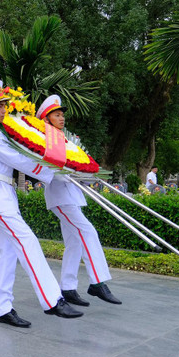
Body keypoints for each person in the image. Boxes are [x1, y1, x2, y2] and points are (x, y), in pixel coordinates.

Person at [0, 81, 83, 328]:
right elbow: (16, 159)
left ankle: (2, 308)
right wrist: (53, 170)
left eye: (5, 105)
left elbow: (17, 157)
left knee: (9, 252)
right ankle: (53, 300)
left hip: (3, 193)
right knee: (28, 241)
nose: (4, 110)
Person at [37, 95, 120, 305]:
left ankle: (68, 288)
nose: (61, 118)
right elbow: (49, 169)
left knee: (74, 243)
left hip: (72, 196)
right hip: (60, 197)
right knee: (88, 232)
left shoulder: (65, 139)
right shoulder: (44, 139)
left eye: (62, 115)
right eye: (57, 115)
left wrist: (87, 174)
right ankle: (97, 282)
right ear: (46, 119)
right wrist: (72, 173)